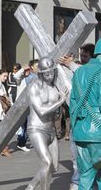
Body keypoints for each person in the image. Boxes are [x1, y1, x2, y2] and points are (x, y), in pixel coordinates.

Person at [69, 37, 101, 189]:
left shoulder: (79, 72)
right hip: (99, 134)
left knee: (85, 177)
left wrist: (75, 128)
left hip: (80, 132)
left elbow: (72, 104)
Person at [25, 57, 67, 190]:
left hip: (51, 130)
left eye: (52, 72)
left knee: (54, 166)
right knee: (47, 162)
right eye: (47, 73)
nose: (50, 75)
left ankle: (31, 186)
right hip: (36, 129)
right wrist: (61, 101)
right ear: (41, 73)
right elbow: (41, 111)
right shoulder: (34, 87)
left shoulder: (55, 86)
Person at [59, 43, 95, 190]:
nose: (83, 58)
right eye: (81, 56)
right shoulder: (78, 69)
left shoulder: (95, 71)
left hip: (91, 122)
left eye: (85, 56)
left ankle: (88, 182)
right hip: (77, 120)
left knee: (89, 155)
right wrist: (65, 65)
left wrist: (70, 64)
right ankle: (76, 181)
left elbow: (86, 73)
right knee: (76, 154)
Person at [14, 64, 35, 152]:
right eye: (25, 71)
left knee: (26, 125)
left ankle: (22, 142)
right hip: (21, 105)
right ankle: (21, 143)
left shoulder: (31, 78)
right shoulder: (20, 79)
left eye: (28, 70)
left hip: (29, 104)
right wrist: (22, 69)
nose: (27, 72)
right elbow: (15, 76)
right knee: (22, 125)